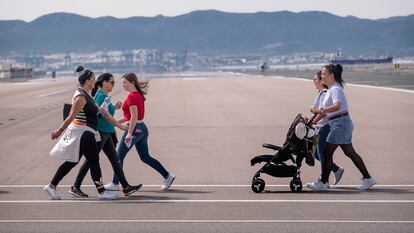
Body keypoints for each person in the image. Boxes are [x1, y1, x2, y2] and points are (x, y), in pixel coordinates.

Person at [44, 66, 117, 200]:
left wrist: (103, 108)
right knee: (94, 161)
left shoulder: (87, 95)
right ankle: (102, 192)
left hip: (86, 131)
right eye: (94, 79)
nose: (95, 82)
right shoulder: (81, 96)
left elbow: (95, 114)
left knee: (73, 161)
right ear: (88, 80)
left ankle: (51, 186)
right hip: (84, 132)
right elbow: (71, 116)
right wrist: (59, 130)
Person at [69, 73, 142, 198]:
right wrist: (121, 126)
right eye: (110, 82)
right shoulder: (100, 96)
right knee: (90, 161)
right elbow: (101, 115)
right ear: (103, 82)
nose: (113, 85)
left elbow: (101, 111)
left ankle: (125, 187)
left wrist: (114, 107)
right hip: (101, 133)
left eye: (113, 83)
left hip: (107, 133)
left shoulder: (104, 96)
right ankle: (76, 186)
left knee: (115, 161)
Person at [307, 64, 377, 191]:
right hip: (339, 123)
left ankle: (323, 182)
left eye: (324, 74)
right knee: (349, 152)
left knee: (327, 152)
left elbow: (337, 106)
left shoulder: (335, 89)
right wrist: (314, 120)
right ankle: (368, 178)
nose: (321, 76)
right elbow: (325, 113)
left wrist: (320, 109)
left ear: (331, 75)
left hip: (341, 123)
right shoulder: (331, 89)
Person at [105, 72, 175, 191]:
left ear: (132, 82)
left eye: (125, 82)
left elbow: (134, 117)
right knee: (145, 157)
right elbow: (130, 116)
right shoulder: (137, 94)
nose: (123, 85)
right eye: (122, 83)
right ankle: (167, 176)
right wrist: (116, 122)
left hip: (135, 130)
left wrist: (129, 133)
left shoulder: (132, 96)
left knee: (118, 156)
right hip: (142, 128)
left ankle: (115, 183)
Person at [310, 70, 344, 186]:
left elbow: (323, 112)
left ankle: (324, 180)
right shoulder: (321, 94)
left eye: (315, 79)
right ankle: (335, 170)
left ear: (321, 81)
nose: (313, 82)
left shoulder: (324, 93)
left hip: (324, 127)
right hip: (319, 127)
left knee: (321, 153)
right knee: (315, 153)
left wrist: (313, 121)